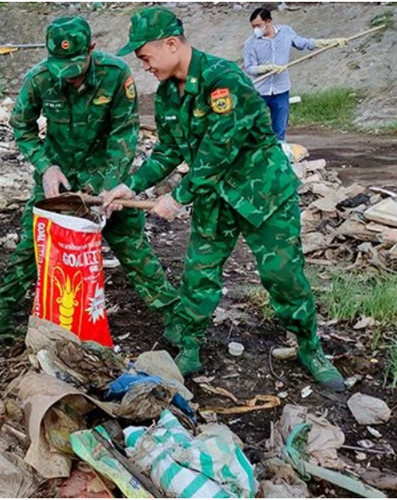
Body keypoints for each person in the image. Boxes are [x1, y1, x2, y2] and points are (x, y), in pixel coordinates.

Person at [103, 7, 344, 391]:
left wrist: (177, 198)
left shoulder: (223, 80)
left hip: (261, 193)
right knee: (199, 274)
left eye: (145, 56)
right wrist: (132, 186)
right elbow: (168, 150)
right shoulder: (167, 95)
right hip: (215, 197)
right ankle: (191, 344)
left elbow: (218, 153)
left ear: (170, 44)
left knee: (284, 276)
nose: (143, 65)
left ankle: (309, 347)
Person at [0, 16, 179, 341]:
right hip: (58, 180)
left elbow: (123, 134)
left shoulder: (115, 76)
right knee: (31, 247)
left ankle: (173, 316)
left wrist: (109, 185)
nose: (69, 78)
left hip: (105, 179)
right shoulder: (40, 78)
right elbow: (22, 127)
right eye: (61, 68)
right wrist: (45, 166)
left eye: (75, 67)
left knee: (132, 248)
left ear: (92, 50)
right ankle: (4, 312)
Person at [243, 7, 347, 141]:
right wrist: (267, 68)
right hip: (260, 92)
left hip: (281, 89)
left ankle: (280, 153)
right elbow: (250, 68)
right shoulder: (250, 43)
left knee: (279, 129)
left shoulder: (285, 32)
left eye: (258, 25)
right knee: (255, 127)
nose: (255, 29)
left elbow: (304, 43)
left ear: (268, 21)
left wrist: (330, 42)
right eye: (253, 26)